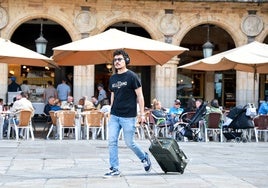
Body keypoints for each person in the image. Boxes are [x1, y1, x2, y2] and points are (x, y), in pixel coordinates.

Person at [103, 49, 151, 178]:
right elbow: (113, 94)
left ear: (126, 61)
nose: (117, 62)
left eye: (120, 59)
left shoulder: (132, 76)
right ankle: (114, 168)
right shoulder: (113, 78)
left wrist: (141, 114)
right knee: (112, 141)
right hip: (115, 115)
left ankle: (144, 157)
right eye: (115, 60)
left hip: (129, 116)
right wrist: (111, 110)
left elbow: (140, 96)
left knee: (129, 143)